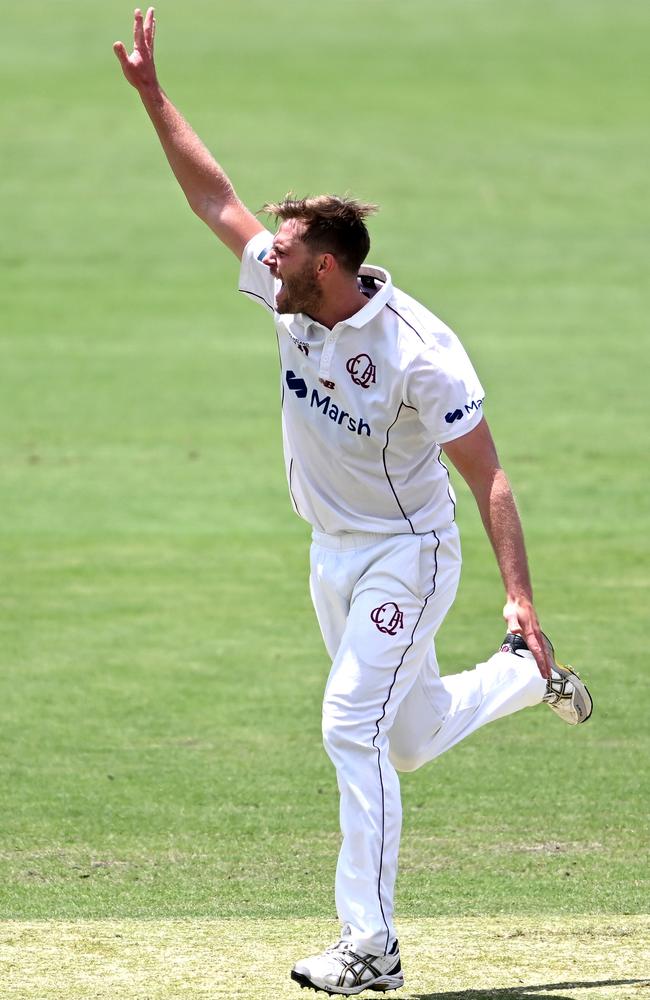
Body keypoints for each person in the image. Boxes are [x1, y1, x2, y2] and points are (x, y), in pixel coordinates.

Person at [114, 9, 593, 996]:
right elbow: (217, 204)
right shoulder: (295, 294)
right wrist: (155, 99)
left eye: (282, 255)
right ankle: (520, 678)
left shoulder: (418, 351)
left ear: (324, 268)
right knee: (402, 737)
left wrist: (518, 591)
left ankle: (369, 946)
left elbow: (487, 474)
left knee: (348, 725)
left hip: (408, 553)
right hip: (331, 550)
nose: (265, 262)